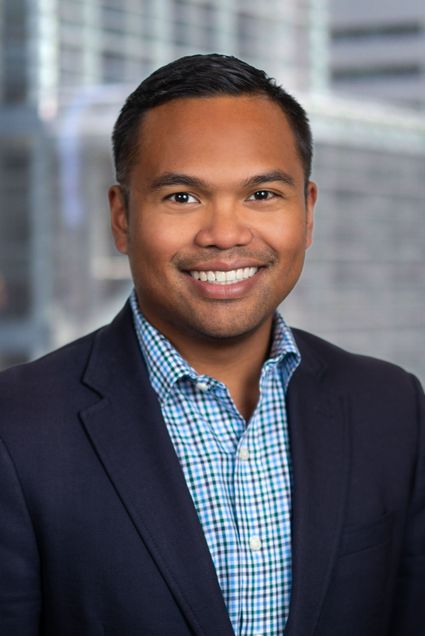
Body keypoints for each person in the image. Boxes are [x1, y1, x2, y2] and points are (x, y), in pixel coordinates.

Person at [0, 54, 424, 636]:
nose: (224, 234)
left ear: (308, 211)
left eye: (263, 195)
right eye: (181, 197)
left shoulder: (392, 406)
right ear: (122, 217)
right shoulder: (16, 427)